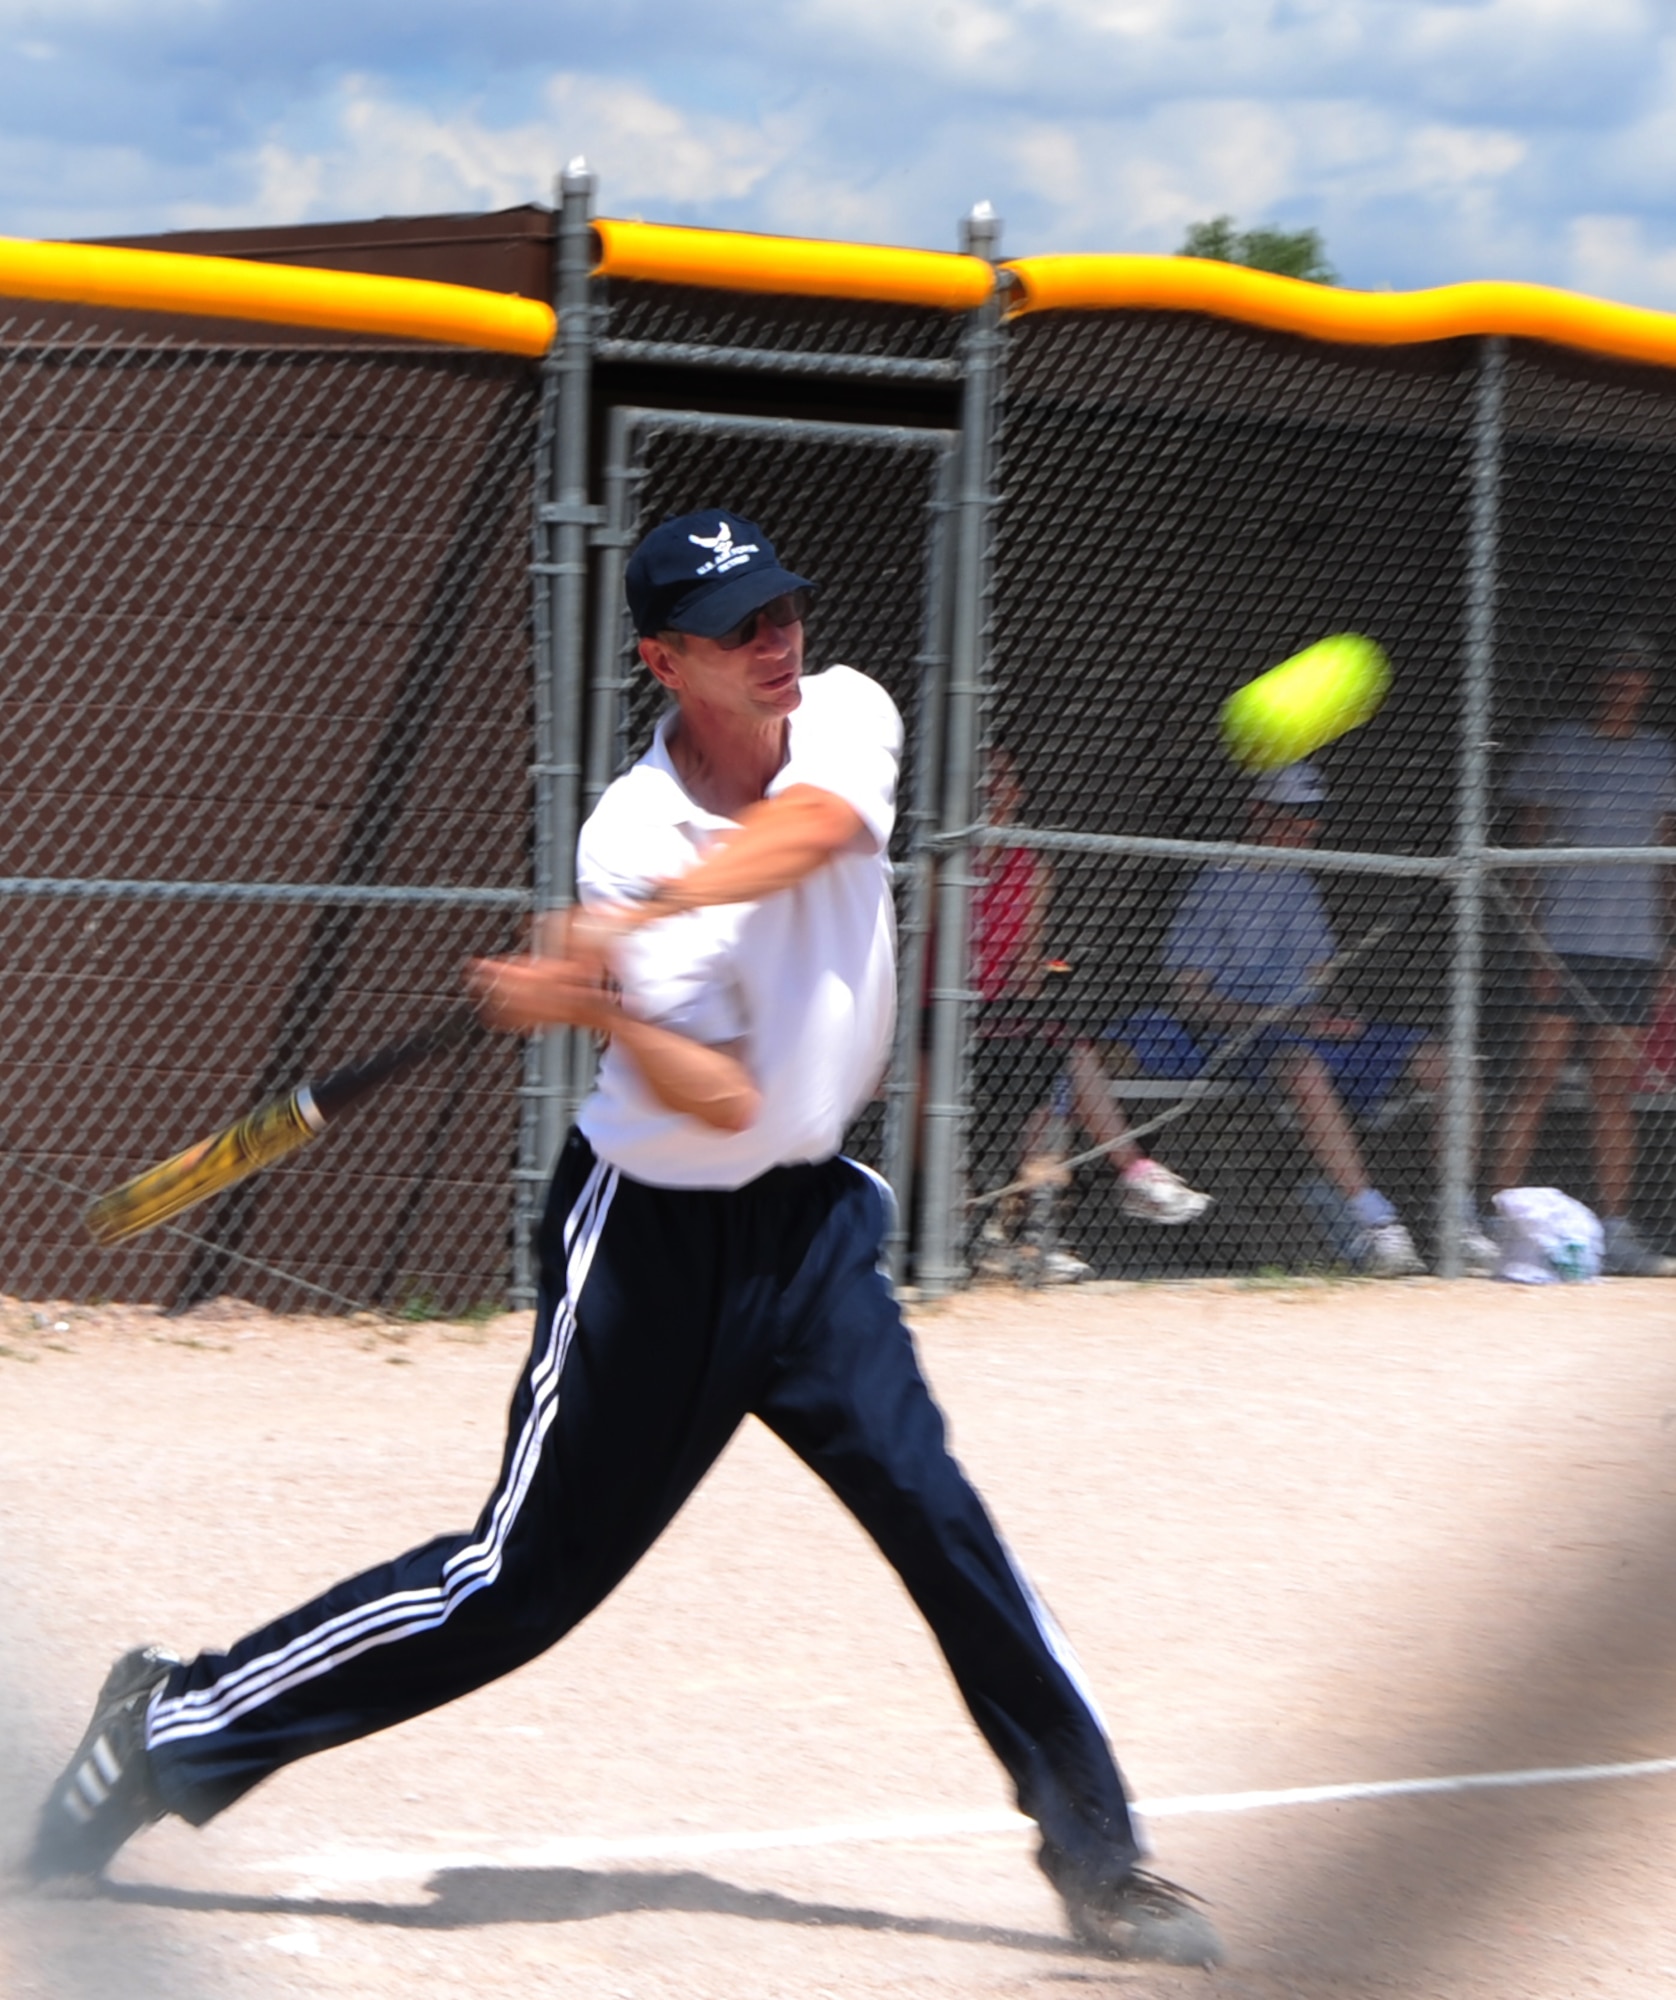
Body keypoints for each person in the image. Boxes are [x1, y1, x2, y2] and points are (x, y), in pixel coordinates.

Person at [30, 510, 1222, 1968]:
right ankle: (171, 1727)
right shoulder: (628, 826)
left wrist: (626, 933)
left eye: (785, 608)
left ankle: (1103, 1859)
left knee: (938, 1514)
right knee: (514, 1589)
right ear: (667, 662)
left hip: (816, 1231)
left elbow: (819, 831)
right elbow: (718, 1099)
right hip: (651, 1241)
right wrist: (604, 1007)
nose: (778, 640)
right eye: (738, 631)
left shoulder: (845, 715)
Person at [1101, 762, 1496, 1277]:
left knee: (1451, 1066)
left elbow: (1317, 983)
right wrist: (1283, 1019)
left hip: (1305, 1027)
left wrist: (1336, 1016)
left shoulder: (1299, 884)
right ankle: (1375, 1224)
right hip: (1240, 1035)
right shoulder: (1215, 882)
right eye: (1290, 816)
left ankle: (1458, 1221)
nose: (1303, 828)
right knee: (1303, 1068)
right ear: (1257, 813)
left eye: (1311, 817)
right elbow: (1191, 1000)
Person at [970, 748, 1211, 1284]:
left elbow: (1025, 967)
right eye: (983, 781)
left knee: (1063, 1061)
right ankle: (1051, 1219)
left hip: (1003, 1021)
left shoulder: (1029, 866)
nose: (995, 792)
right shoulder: (949, 861)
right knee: (1053, 1066)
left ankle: (1045, 1229)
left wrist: (1040, 991)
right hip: (945, 1018)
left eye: (1005, 782)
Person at [1490, 635, 1676, 1276]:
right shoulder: (1558, 748)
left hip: (1631, 948)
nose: (1628, 680)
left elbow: (1667, 860)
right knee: (1535, 1079)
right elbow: (1525, 852)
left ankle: (1616, 1230)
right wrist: (1534, 940)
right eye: (1617, 668)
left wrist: (1669, 946)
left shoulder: (1662, 758)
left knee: (1613, 1089)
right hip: (1562, 943)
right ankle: (1494, 1221)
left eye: (1638, 671)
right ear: (1596, 678)